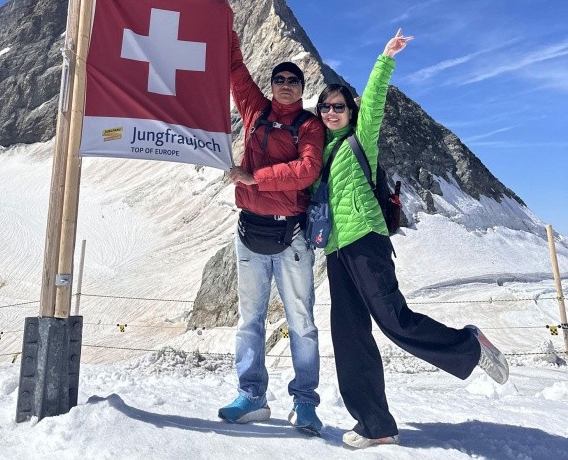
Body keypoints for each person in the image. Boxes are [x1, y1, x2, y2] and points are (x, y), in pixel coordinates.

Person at [316, 29, 510, 450]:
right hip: (335, 251)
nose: (332, 112)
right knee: (349, 336)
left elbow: (375, 102)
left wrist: (385, 57)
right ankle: (375, 424)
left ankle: (469, 345)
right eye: (325, 107)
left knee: (393, 320)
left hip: (366, 240)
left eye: (339, 106)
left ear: (350, 110)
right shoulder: (322, 153)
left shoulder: (357, 139)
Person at [218, 30, 326, 436]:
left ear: (301, 87)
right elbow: (233, 70)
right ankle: (252, 396)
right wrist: (225, 28)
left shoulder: (310, 125)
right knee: (250, 320)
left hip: (291, 237)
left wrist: (254, 177)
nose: (284, 85)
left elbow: (307, 170)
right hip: (249, 232)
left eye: (292, 80)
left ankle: (305, 402)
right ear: (271, 85)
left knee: (302, 322)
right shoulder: (254, 109)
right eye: (279, 79)